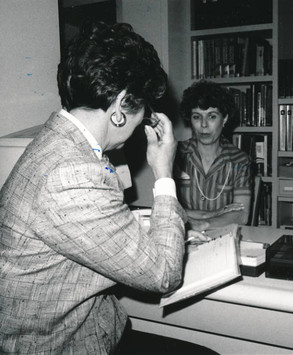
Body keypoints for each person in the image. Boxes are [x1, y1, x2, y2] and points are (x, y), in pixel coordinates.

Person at [0, 22, 210, 354]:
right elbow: (164, 275)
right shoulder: (73, 174)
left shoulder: (57, 141)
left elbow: (88, 228)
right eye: (141, 108)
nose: (142, 120)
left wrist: (156, 227)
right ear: (121, 107)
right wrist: (164, 171)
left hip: (96, 327)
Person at [175, 80, 252, 234]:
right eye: (197, 117)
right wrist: (212, 214)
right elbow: (168, 208)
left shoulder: (240, 161)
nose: (204, 125)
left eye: (211, 117)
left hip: (222, 238)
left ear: (224, 119)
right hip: (183, 235)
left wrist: (201, 224)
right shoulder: (175, 154)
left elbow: (242, 215)